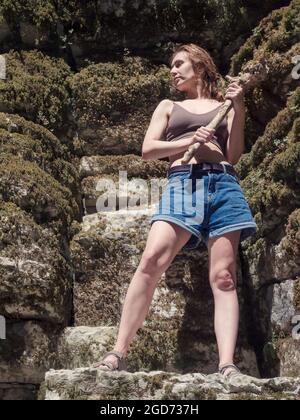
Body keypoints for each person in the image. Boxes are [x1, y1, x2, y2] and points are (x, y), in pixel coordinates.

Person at [93, 44, 257, 377]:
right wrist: (188, 140)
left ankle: (226, 365)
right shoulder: (169, 106)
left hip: (224, 185)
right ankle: (117, 353)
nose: (173, 70)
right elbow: (148, 150)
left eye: (179, 64)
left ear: (201, 66)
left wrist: (238, 107)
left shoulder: (223, 105)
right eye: (172, 66)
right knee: (152, 260)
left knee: (224, 278)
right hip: (183, 183)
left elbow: (234, 154)